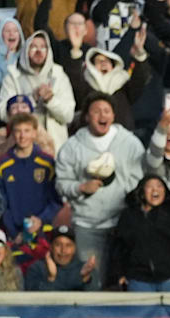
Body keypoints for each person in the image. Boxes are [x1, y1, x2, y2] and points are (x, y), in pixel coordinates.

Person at [55, 94, 145, 290]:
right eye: (96, 111)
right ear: (86, 116)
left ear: (113, 115)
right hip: (87, 225)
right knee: (91, 282)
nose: (101, 115)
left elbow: (140, 179)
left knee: (124, 284)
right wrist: (80, 188)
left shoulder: (130, 143)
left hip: (122, 224)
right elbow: (61, 183)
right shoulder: (72, 146)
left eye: (106, 111)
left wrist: (124, 197)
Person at [0, 30, 76, 152]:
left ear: (48, 51)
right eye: (33, 47)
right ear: (25, 50)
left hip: (56, 148)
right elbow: (3, 114)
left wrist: (51, 100)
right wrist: (31, 100)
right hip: (22, 148)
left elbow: (68, 116)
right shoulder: (12, 76)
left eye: (43, 47)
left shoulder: (59, 75)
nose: (39, 51)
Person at [112, 175, 170, 292]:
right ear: (142, 192)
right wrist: (120, 273)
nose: (155, 190)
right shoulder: (128, 215)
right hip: (139, 279)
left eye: (159, 186)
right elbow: (119, 246)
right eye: (150, 187)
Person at [0, 113, 63, 239]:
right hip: (14, 234)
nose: (22, 136)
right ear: (12, 134)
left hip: (43, 231)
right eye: (18, 131)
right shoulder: (4, 164)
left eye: (27, 131)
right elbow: (0, 202)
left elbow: (56, 200)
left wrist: (41, 220)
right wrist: (13, 231)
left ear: (34, 133)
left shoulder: (47, 163)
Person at [24, 224, 97, 291]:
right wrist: (51, 278)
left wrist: (86, 279)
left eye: (68, 245)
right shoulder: (36, 269)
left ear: (74, 248)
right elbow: (33, 299)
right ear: (51, 247)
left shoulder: (85, 269)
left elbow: (96, 299)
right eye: (58, 245)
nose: (63, 250)